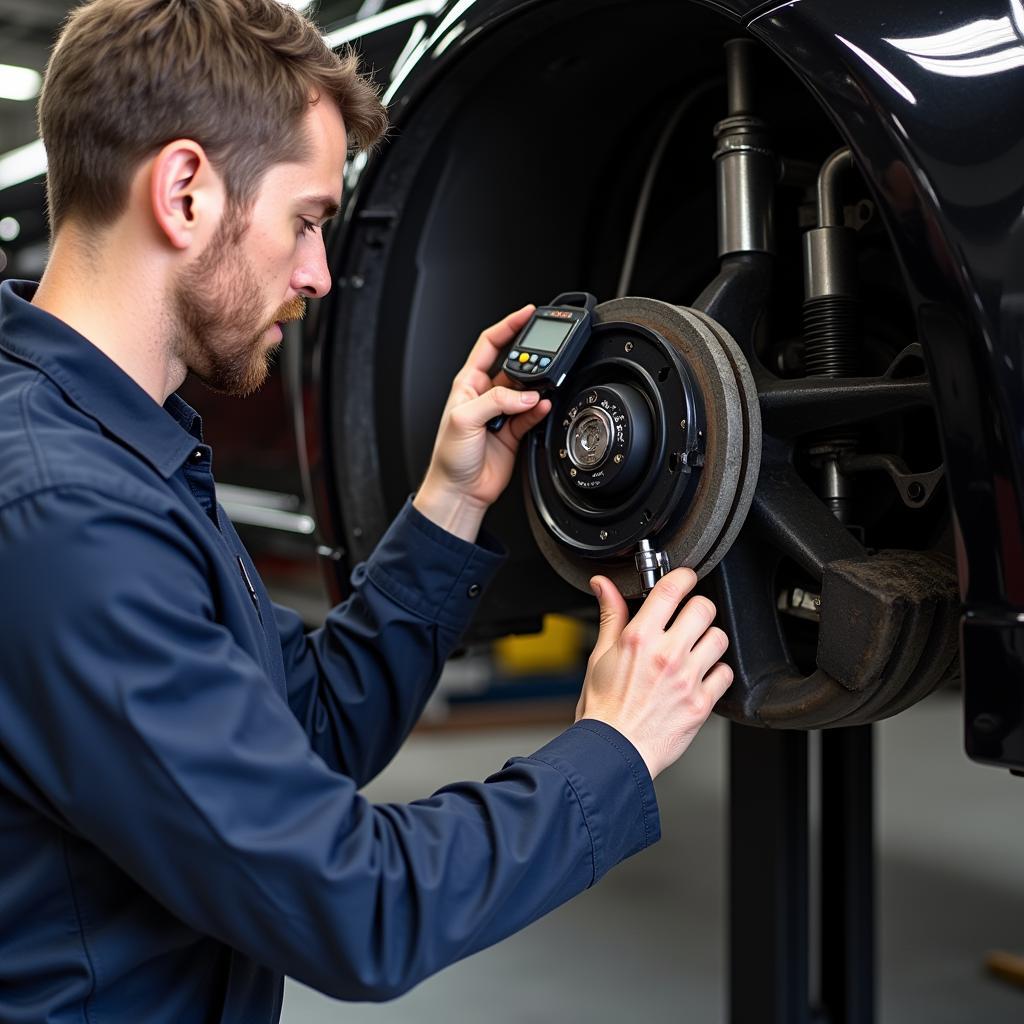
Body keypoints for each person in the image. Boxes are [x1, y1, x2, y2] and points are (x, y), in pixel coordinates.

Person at [0, 0, 734, 1020]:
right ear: (183, 192)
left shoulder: (114, 442)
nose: (317, 273)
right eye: (304, 220)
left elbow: (290, 733)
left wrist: (450, 498)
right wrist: (610, 753)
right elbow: (353, 903)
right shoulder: (63, 515)